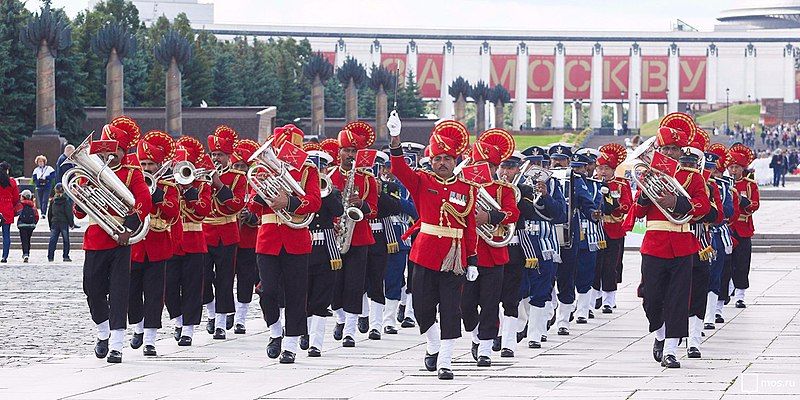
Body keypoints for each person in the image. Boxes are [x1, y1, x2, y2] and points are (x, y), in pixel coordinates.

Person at [389, 115, 478, 380]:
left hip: (454, 256)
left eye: (447, 159)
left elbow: (470, 227)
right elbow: (398, 170)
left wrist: (472, 260)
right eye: (437, 159)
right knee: (422, 307)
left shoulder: (467, 189)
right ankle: (432, 344)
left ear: (456, 161)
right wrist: (395, 139)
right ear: (431, 161)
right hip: (425, 252)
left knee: (451, 308)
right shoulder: (422, 181)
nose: (441, 163)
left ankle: (447, 361)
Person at [631, 113, 711, 369]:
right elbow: (637, 212)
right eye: (666, 148)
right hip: (654, 243)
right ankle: (660, 335)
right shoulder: (648, 176)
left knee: (678, 298)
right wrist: (645, 195)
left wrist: (676, 202)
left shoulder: (693, 177)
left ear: (681, 150)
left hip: (682, 244)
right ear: (659, 149)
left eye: (675, 149)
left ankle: (671, 350)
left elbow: (703, 206)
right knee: (652, 297)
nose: (671, 153)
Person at [73, 116, 152, 363]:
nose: (110, 153)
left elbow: (144, 202)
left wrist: (129, 226)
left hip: (120, 238)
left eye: (116, 148)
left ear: (123, 150)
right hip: (96, 236)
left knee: (119, 291)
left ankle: (117, 343)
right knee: (92, 289)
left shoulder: (132, 173)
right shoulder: (91, 170)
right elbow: (80, 211)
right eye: (107, 146)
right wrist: (78, 196)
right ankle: (103, 331)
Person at [248, 124, 321, 363]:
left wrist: (288, 202)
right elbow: (251, 205)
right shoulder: (262, 170)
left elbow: (314, 202)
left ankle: (290, 344)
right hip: (268, 238)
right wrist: (262, 194)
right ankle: (274, 331)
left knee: (296, 293)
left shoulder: (309, 170)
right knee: (266, 290)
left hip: (296, 237)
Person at [462, 128, 519, 367]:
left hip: (494, 253)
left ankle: (485, 347)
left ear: (495, 167)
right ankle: (475, 336)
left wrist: (491, 216)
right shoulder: (463, 186)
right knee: (465, 306)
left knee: (489, 302)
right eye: (478, 163)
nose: (482, 169)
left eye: (488, 165)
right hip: (467, 253)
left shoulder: (504, 189)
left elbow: (513, 213)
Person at [128, 131, 180, 357]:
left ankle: (150, 339)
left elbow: (173, 212)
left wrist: (156, 192)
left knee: (154, 294)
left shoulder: (169, 186)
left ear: (159, 165)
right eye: (144, 163)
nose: (147, 168)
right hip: (135, 244)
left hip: (158, 245)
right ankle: (137, 327)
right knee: (131, 292)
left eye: (151, 164)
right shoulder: (132, 182)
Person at [328, 121, 378, 348]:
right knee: (334, 284)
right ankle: (339, 317)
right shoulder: (328, 177)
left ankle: (350, 329)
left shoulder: (367, 179)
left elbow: (374, 210)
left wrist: (362, 204)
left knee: (354, 284)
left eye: (353, 151)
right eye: (346, 150)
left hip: (358, 238)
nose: (350, 155)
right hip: (334, 236)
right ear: (339, 152)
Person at [165, 137, 213, 347]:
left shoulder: (202, 185)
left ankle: (189, 329)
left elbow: (204, 210)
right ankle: (177, 319)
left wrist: (189, 191)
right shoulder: (168, 185)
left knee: (194, 288)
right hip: (172, 242)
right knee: (169, 286)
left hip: (194, 241)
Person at [202, 125, 247, 340]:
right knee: (202, 278)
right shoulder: (200, 175)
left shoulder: (238, 177)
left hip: (227, 232)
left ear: (229, 157)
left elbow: (236, 205)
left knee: (225, 279)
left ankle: (220, 322)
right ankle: (211, 312)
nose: (216, 158)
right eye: (213, 154)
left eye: (220, 155)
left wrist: (219, 184)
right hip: (204, 232)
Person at [299, 146, 343, 357]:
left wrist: (323, 192)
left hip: (326, 249)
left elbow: (338, 211)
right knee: (304, 293)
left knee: (321, 297)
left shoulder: (332, 192)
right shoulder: (300, 190)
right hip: (305, 246)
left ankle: (316, 343)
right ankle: (304, 333)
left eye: (321, 168)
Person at [593, 144, 632, 314]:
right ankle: (595, 297)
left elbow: (627, 205)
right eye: (600, 167)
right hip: (595, 229)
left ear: (614, 169)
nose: (603, 172)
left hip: (614, 229)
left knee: (611, 265)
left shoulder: (621, 184)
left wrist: (614, 204)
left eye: (606, 168)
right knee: (595, 265)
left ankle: (610, 299)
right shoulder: (592, 182)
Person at [230, 139, 260, 335]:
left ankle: (240, 318)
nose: (240, 169)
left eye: (243, 166)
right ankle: (225, 312)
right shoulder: (228, 181)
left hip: (250, 240)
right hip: (229, 238)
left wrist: (250, 217)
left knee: (246, 280)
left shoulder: (255, 184)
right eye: (237, 166)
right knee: (222, 279)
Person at [728, 143, 760, 309]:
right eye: (731, 167)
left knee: (742, 262)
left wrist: (742, 201)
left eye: (736, 167)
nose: (733, 171)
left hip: (744, 228)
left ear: (742, 168)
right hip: (728, 229)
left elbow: (755, 205)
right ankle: (726, 291)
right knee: (726, 263)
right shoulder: (724, 183)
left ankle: (740, 295)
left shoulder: (750, 185)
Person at [47, 183, 73, 262]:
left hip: (54, 222)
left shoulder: (53, 201)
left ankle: (50, 256)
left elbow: (49, 213)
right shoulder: (66, 200)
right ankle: (66, 256)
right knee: (66, 240)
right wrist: (71, 223)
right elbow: (68, 213)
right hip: (63, 222)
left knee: (53, 240)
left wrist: (50, 224)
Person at [0, 162, 20, 263]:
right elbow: (16, 197)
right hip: (7, 208)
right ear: (7, 170)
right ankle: (4, 256)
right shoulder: (12, 181)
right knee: (6, 234)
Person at [16, 190, 39, 263]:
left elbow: (16, 212)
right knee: (28, 239)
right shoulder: (32, 205)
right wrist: (34, 223)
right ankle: (27, 253)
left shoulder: (21, 204)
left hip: (22, 225)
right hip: (31, 225)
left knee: (24, 240)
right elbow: (37, 216)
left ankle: (25, 254)